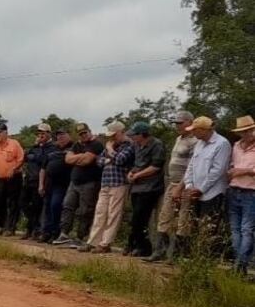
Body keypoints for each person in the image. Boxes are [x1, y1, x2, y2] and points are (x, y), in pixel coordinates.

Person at [148, 111, 197, 263]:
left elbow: (192, 166)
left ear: (190, 122)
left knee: (183, 219)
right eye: (176, 123)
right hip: (172, 182)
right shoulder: (178, 139)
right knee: (165, 215)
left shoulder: (194, 141)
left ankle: (177, 255)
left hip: (186, 184)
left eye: (180, 123)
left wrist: (181, 185)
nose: (177, 126)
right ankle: (160, 250)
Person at [79, 121, 134, 254]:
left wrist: (110, 151)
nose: (112, 138)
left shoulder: (129, 146)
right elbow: (99, 161)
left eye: (114, 135)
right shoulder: (112, 145)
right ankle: (93, 241)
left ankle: (105, 243)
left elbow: (120, 160)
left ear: (121, 132)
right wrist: (109, 158)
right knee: (100, 213)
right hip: (106, 182)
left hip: (119, 183)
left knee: (113, 214)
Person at [182, 116, 232, 255]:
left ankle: (207, 256)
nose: (193, 133)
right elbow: (191, 165)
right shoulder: (199, 143)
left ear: (204, 130)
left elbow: (217, 171)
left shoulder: (222, 144)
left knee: (209, 227)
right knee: (194, 224)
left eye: (195, 130)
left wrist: (201, 189)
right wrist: (189, 185)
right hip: (195, 192)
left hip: (212, 193)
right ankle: (196, 254)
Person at [54, 123, 104, 247]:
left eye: (85, 133)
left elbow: (87, 160)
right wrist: (81, 156)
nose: (83, 135)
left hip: (90, 182)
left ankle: (81, 237)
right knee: (67, 206)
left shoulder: (96, 144)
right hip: (74, 181)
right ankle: (64, 234)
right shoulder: (77, 144)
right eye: (80, 134)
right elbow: (67, 159)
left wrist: (76, 158)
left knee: (85, 211)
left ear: (89, 131)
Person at [125, 122, 165, 257]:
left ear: (142, 134)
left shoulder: (157, 144)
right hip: (136, 186)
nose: (132, 137)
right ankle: (136, 245)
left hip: (150, 187)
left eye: (134, 135)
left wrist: (138, 175)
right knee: (135, 218)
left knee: (140, 218)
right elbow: (136, 163)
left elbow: (156, 166)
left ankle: (144, 247)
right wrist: (131, 173)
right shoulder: (136, 145)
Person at [226, 116, 255, 274]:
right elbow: (232, 164)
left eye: (248, 130)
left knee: (246, 229)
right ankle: (240, 263)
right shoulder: (236, 146)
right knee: (235, 229)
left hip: (250, 191)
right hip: (234, 189)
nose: (246, 134)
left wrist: (244, 171)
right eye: (243, 131)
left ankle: (240, 263)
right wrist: (231, 172)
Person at [0, 124, 24, 236]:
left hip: (14, 177)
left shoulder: (14, 143)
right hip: (0, 178)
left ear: (6, 133)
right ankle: (2, 225)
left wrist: (14, 168)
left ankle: (11, 227)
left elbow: (21, 159)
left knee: (13, 203)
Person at [20, 123, 54, 239]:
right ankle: (33, 227)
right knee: (23, 203)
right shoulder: (34, 147)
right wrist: (35, 147)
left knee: (37, 206)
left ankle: (33, 229)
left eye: (43, 133)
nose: (40, 135)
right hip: (28, 179)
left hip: (39, 181)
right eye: (39, 133)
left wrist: (35, 155)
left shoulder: (51, 148)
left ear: (49, 134)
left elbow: (43, 161)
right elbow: (25, 157)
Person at [40, 129, 74, 243]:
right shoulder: (52, 149)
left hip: (62, 184)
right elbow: (43, 169)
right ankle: (46, 232)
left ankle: (56, 232)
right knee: (47, 208)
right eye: (58, 135)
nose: (60, 137)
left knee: (56, 206)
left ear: (69, 135)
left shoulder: (73, 148)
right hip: (48, 183)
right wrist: (41, 184)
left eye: (63, 135)